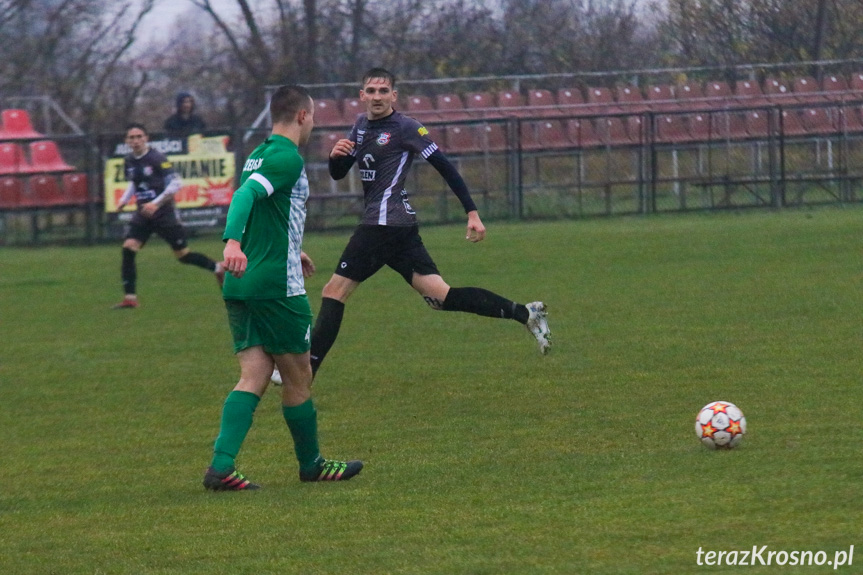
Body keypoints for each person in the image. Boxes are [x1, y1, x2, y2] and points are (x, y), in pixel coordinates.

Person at [271, 67, 551, 385]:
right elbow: (339, 173)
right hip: (395, 226)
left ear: (394, 95)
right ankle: (526, 314)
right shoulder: (360, 125)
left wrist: (471, 212)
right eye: (371, 91)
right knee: (440, 296)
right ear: (361, 96)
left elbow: (444, 166)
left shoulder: (406, 128)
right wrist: (336, 157)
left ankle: (306, 370)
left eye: (383, 90)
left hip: (384, 223)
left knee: (334, 291)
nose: (377, 96)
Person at [203, 84, 363, 491]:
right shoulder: (288, 158)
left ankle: (221, 467)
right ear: (304, 116)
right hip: (275, 286)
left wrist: (295, 248)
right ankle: (312, 465)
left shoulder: (259, 153)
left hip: (243, 283)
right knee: (299, 376)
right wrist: (232, 241)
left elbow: (267, 212)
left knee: (254, 373)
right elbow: (245, 196)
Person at [113, 123, 224, 309]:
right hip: (143, 214)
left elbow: (175, 184)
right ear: (126, 141)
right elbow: (135, 183)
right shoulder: (129, 161)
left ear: (146, 138)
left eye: (139, 136)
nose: (135, 140)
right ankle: (130, 298)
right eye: (131, 137)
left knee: (183, 256)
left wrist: (155, 203)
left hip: (163, 214)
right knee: (128, 249)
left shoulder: (157, 158)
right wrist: (124, 200)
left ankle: (218, 269)